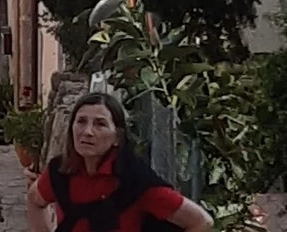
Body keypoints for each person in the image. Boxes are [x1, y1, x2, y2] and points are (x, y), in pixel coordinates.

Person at [27, 92, 214, 232]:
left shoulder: (135, 181)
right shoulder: (60, 172)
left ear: (117, 137)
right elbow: (35, 199)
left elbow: (201, 222)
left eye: (100, 124)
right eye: (81, 121)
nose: (87, 132)